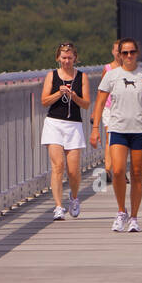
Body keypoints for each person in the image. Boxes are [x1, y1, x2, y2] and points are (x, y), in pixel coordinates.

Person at [91, 38, 142, 233]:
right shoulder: (112, 75)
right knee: (117, 171)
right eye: (124, 53)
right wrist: (95, 129)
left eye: (132, 52)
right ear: (118, 54)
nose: (128, 56)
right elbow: (100, 102)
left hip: (140, 129)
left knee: (136, 174)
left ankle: (134, 217)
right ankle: (121, 211)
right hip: (118, 127)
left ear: (137, 53)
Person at [40, 42, 90, 220]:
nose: (66, 61)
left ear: (75, 58)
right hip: (54, 123)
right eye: (63, 58)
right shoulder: (51, 76)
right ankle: (58, 206)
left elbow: (86, 103)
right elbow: (44, 101)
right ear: (58, 59)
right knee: (58, 166)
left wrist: (74, 96)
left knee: (74, 170)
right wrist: (59, 93)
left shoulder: (82, 77)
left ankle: (74, 198)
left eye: (69, 58)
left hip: (73, 125)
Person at [101, 40, 121, 184]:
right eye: (116, 50)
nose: (119, 53)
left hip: (124, 109)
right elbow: (102, 90)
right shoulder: (107, 68)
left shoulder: (129, 69)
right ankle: (107, 170)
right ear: (112, 52)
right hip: (109, 108)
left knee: (121, 140)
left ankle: (118, 170)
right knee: (110, 138)